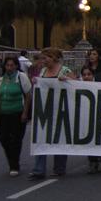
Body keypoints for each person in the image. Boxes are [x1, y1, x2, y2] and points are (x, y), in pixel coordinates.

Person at [28, 48, 76, 180]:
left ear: (54, 57)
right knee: (41, 138)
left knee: (60, 139)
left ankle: (59, 168)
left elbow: (77, 87)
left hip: (61, 111)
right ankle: (39, 170)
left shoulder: (65, 70)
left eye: (46, 58)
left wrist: (67, 80)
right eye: (42, 59)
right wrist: (36, 82)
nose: (43, 61)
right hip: (44, 111)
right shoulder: (43, 71)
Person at [0, 55, 32, 177]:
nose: (9, 68)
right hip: (4, 113)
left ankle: (14, 165)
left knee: (16, 139)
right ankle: (12, 159)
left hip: (18, 113)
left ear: (16, 66)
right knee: (3, 138)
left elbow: (28, 95)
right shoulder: (0, 80)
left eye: (12, 65)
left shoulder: (21, 77)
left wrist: (25, 113)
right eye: (7, 65)